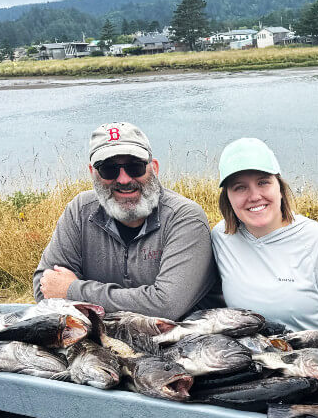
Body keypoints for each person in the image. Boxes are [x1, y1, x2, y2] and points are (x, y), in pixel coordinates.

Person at [34, 122, 217, 321]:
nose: (123, 179)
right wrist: (138, 301)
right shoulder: (80, 211)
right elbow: (46, 287)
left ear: (154, 168)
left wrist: (73, 290)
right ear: (92, 172)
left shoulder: (184, 218)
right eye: (108, 169)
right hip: (103, 336)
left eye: (135, 167)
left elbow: (167, 305)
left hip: (184, 337)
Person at [209, 138, 318, 341]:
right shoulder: (221, 238)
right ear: (228, 198)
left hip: (317, 360)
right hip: (250, 360)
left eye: (263, 182)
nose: (254, 196)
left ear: (280, 188)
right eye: (240, 187)